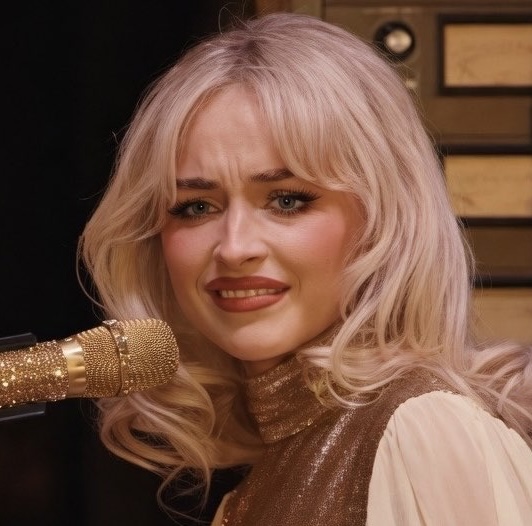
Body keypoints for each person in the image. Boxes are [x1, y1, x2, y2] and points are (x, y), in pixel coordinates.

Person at [79, 12, 532, 525]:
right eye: (196, 207)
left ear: (384, 218)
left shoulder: (423, 430)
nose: (234, 248)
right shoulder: (252, 489)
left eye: (287, 200)